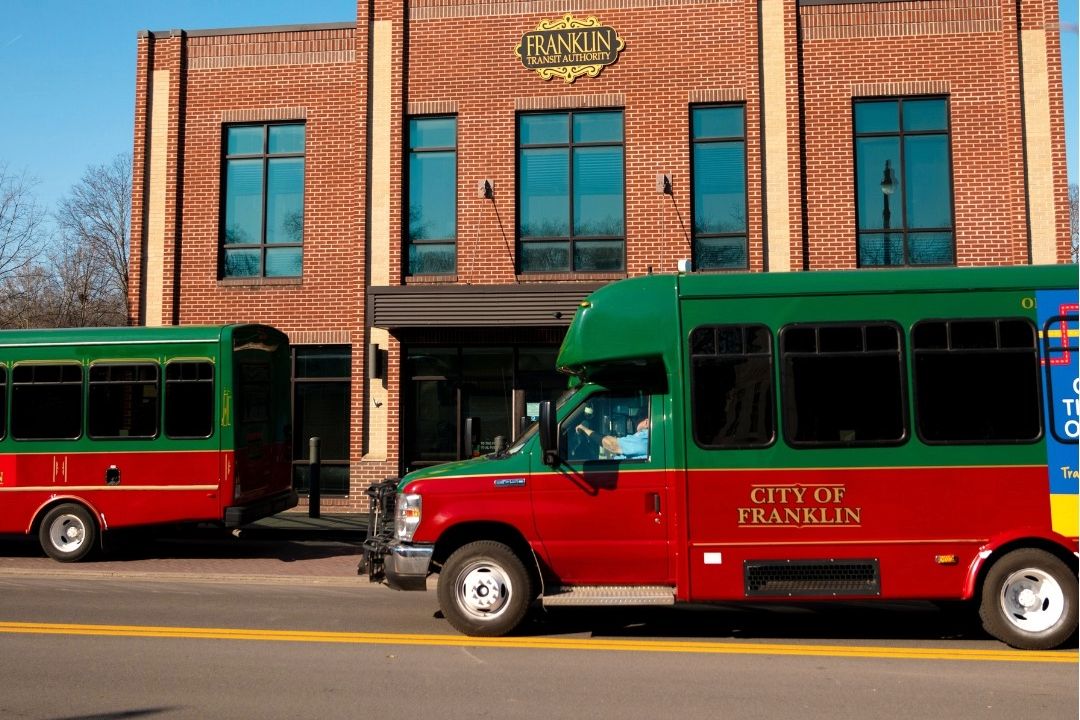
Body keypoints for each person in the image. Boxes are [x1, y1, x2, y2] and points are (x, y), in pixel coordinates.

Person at [575, 417, 650, 459]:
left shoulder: (645, 436)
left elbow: (613, 445)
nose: (634, 420)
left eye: (637, 417)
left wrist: (585, 430)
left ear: (646, 422)